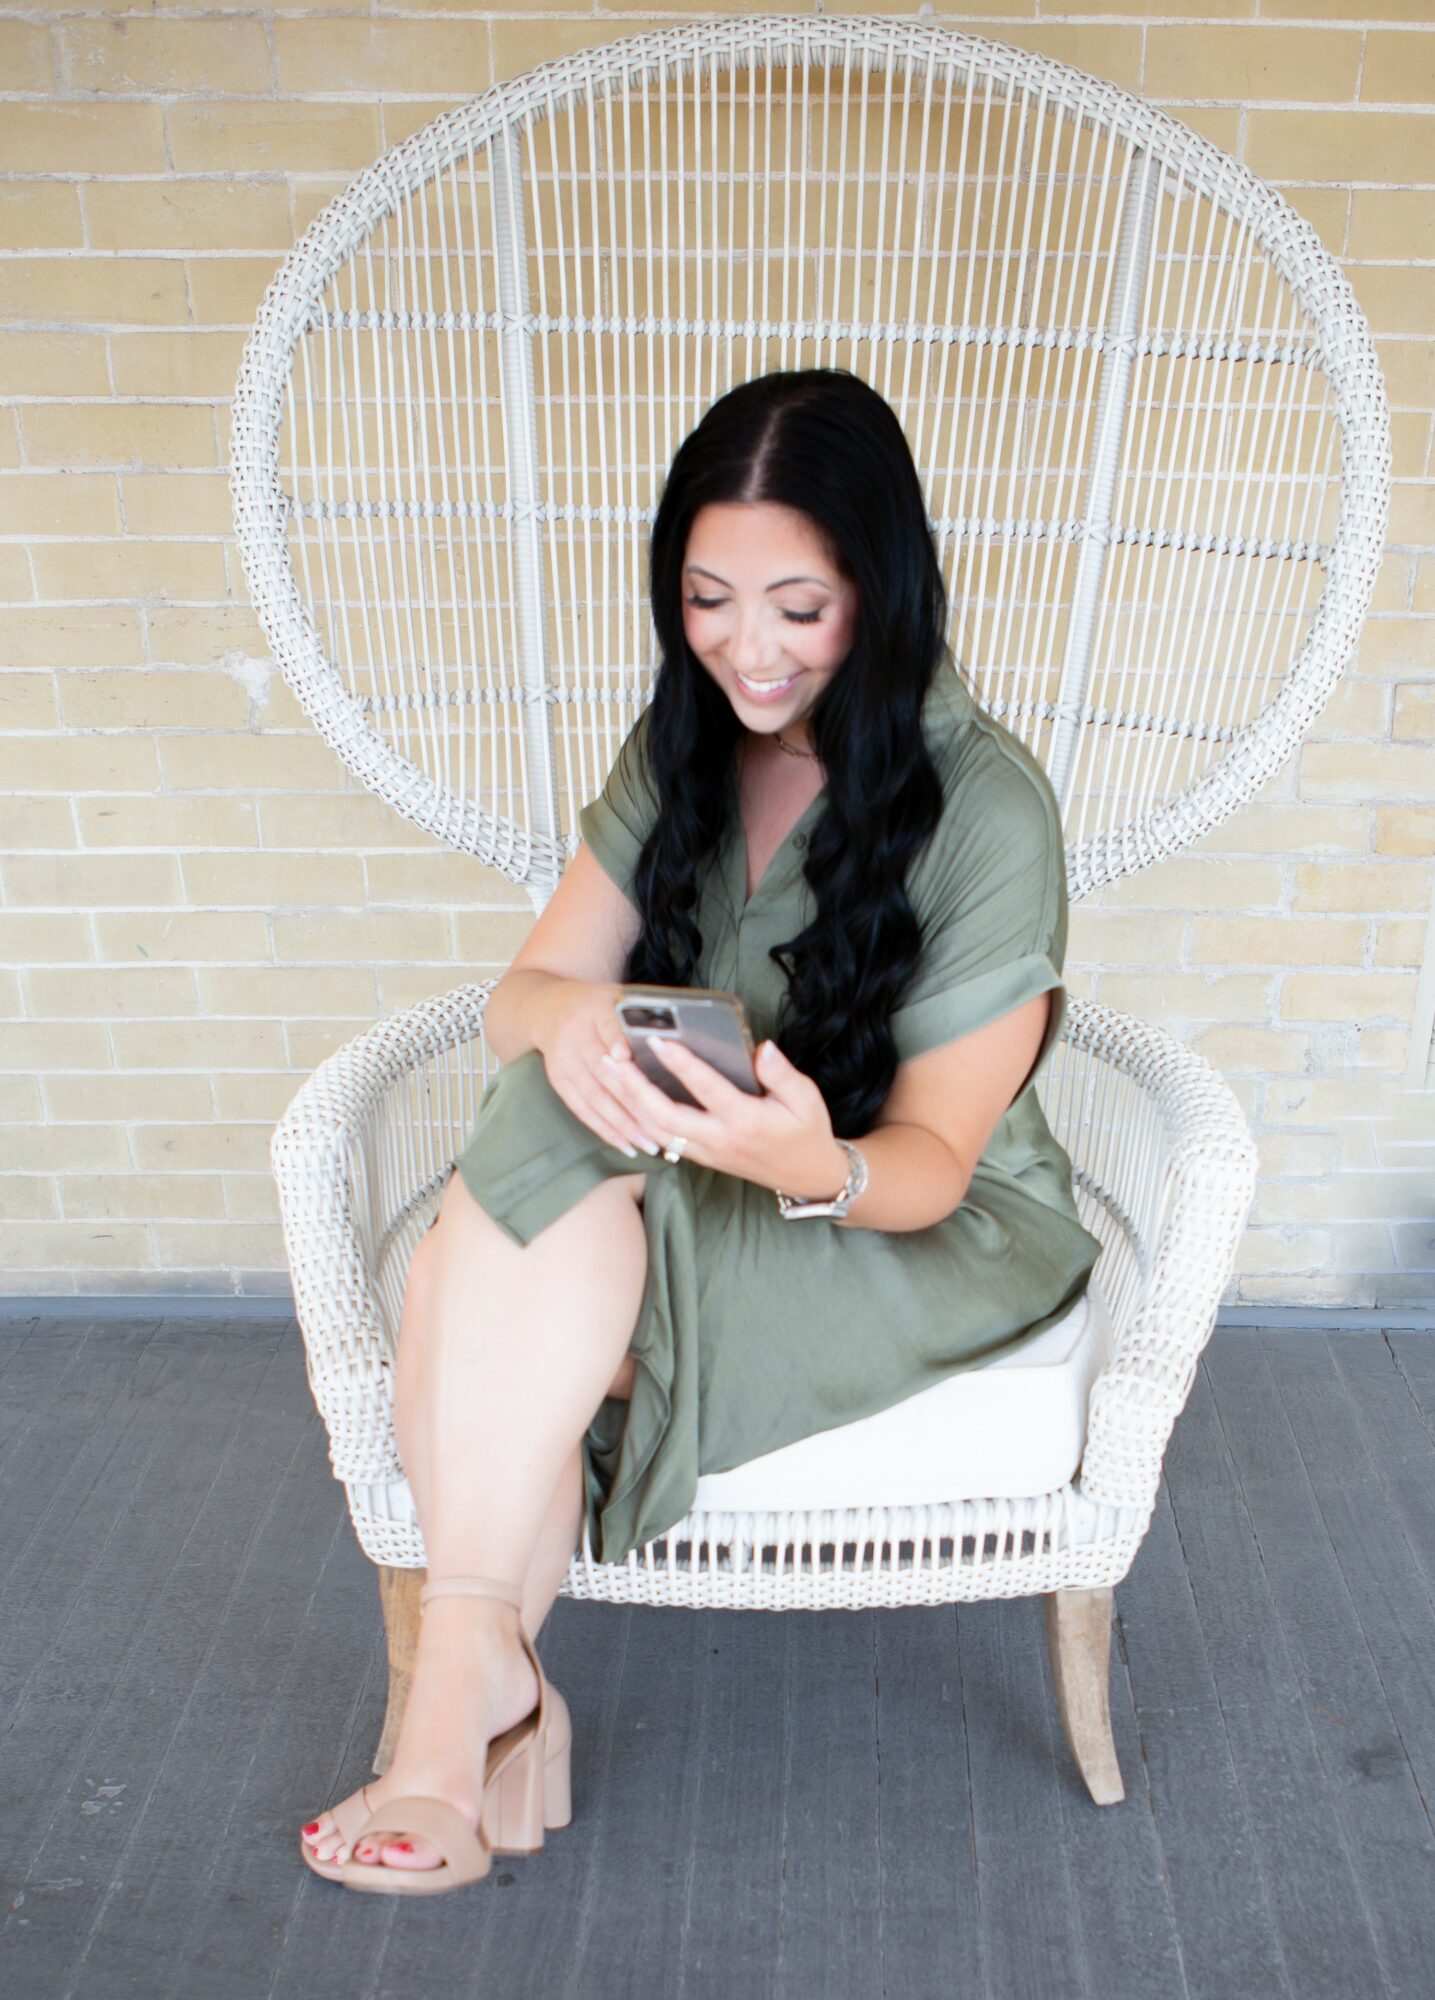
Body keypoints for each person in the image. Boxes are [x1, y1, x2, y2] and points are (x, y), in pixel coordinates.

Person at [300, 367, 1103, 1893]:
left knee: (465, 1296)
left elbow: (929, 1168)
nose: (748, 647)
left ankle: (459, 1713)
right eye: (708, 596)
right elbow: (525, 991)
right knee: (546, 1100)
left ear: (883, 584)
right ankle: (482, 1693)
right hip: (703, 1166)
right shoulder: (683, 742)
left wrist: (808, 1164)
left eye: (800, 606)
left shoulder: (992, 807)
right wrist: (576, 1024)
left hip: (907, 1217)